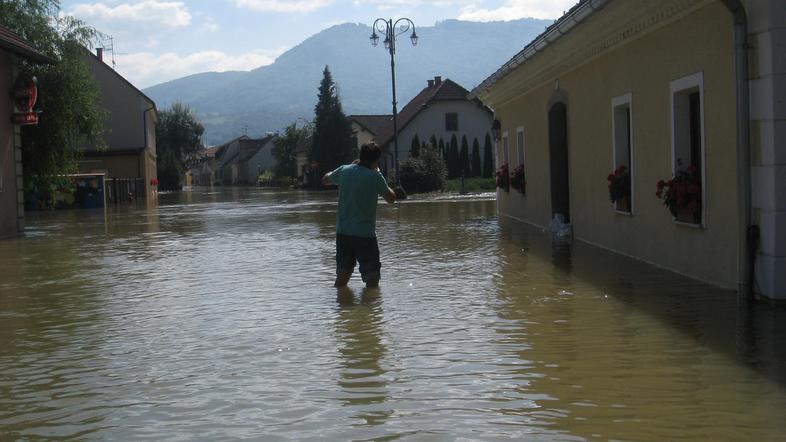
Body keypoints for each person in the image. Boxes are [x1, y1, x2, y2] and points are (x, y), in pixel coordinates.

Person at [322, 142, 396, 288]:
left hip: (343, 233)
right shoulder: (375, 176)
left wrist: (350, 166)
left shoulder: (344, 170)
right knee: (372, 280)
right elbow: (391, 199)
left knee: (342, 278)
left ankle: (340, 302)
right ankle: (371, 304)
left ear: (360, 156)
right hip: (365, 235)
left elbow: (325, 180)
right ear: (376, 161)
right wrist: (379, 173)